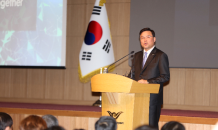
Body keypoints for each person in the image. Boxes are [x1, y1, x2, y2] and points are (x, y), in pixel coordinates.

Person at [128, 27, 170, 128]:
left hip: (152, 99)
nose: (145, 40)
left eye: (148, 37)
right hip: (136, 97)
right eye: (142, 38)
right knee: (136, 125)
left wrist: (148, 82)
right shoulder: (136, 56)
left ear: (154, 39)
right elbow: (132, 75)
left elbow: (165, 76)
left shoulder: (160, 55)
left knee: (151, 126)